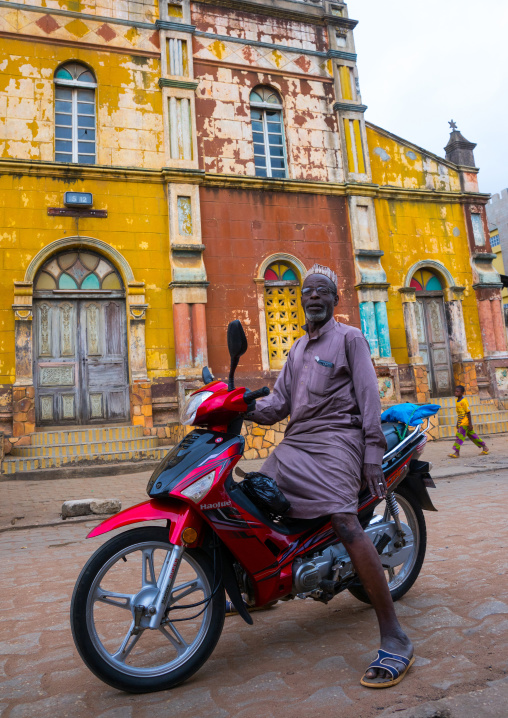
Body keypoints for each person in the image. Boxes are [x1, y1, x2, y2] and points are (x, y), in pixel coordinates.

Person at [248, 264, 414, 689]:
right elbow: (277, 406)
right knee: (253, 500)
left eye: (322, 291)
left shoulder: (350, 339)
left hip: (339, 441)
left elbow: (368, 396)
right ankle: (262, 586)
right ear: (300, 299)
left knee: (345, 522)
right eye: (308, 291)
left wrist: (372, 452)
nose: (314, 297)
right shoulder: (298, 348)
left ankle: (394, 635)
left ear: (334, 300)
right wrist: (236, 407)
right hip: (297, 443)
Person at [448, 385, 489, 459]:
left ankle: (456, 452)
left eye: (458, 391)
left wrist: (470, 424)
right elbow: (460, 414)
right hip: (461, 423)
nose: (456, 393)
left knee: (459, 436)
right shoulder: (457, 401)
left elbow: (468, 412)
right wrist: (458, 423)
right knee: (473, 436)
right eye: (455, 391)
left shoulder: (464, 401)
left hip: (465, 423)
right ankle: (485, 447)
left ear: (462, 393)